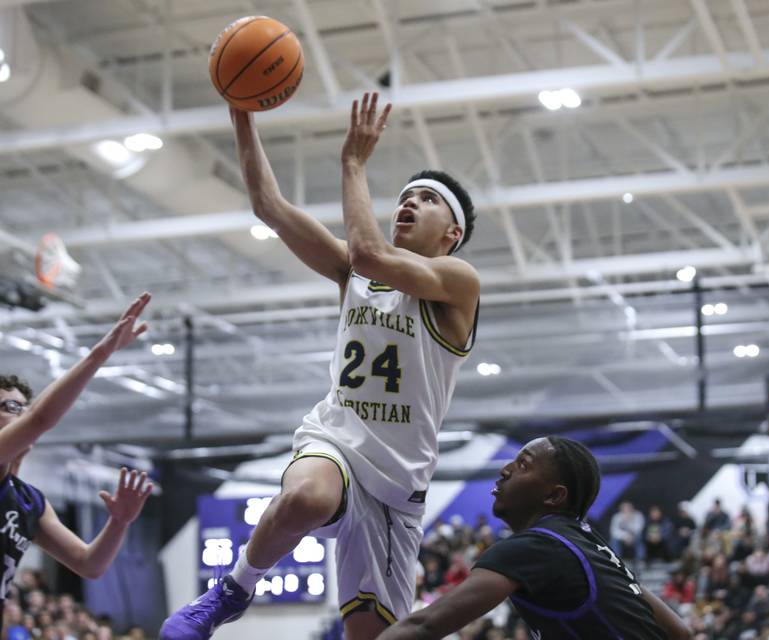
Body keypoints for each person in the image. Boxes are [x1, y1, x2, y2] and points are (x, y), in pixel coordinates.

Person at [160, 92, 480, 640]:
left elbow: (370, 253)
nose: (407, 203)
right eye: (404, 196)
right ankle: (231, 591)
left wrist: (354, 163)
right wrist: (241, 111)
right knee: (310, 496)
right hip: (334, 442)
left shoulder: (458, 281)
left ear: (451, 234)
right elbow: (268, 205)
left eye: (426, 200)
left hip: (397, 492)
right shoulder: (356, 271)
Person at [375, 437, 691, 640]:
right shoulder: (590, 545)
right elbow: (680, 632)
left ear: (553, 496)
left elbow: (425, 626)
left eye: (522, 465)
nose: (505, 469)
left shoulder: (533, 548)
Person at [0, 294, 154, 626]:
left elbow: (89, 565)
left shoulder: (28, 501)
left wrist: (119, 522)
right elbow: (40, 418)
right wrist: (102, 353)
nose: (20, 415)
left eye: (21, 407)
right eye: (7, 407)